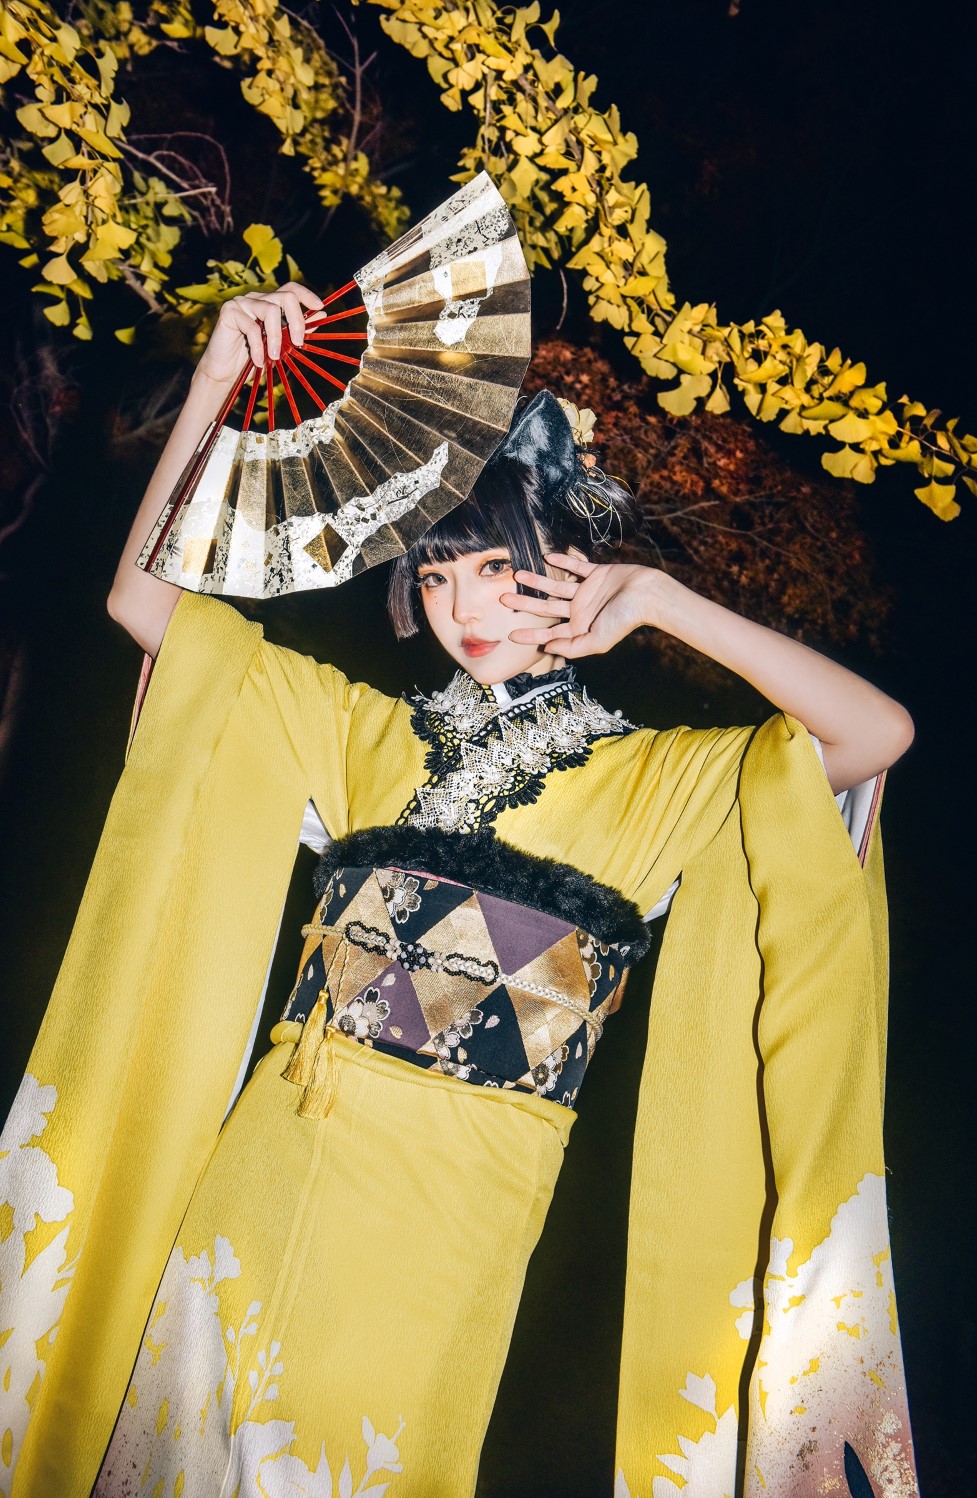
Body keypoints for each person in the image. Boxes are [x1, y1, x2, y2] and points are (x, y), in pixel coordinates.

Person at [0, 283, 920, 1498]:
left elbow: (874, 733)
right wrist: (220, 385)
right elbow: (144, 604)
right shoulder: (360, 731)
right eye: (435, 576)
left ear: (575, 566)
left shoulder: (658, 780)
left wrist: (669, 603)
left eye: (496, 569)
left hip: (456, 1208)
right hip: (264, 1168)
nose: (464, 608)